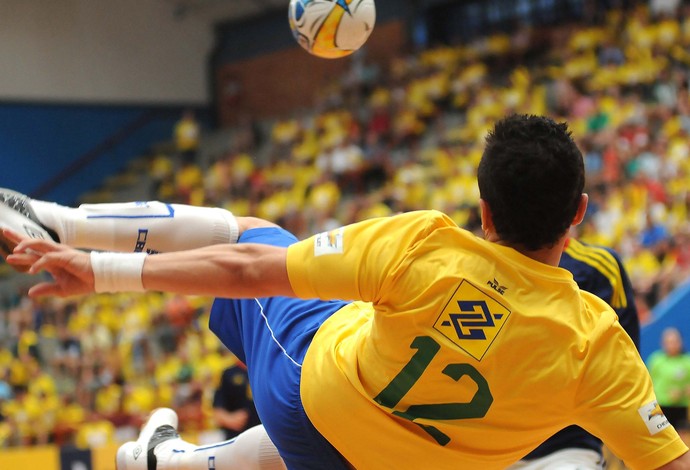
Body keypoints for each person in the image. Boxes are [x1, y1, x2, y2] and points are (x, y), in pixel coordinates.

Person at [2, 114, 690, 469]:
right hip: (401, 465)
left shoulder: (425, 245)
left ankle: (65, 222)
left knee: (257, 231)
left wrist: (99, 273)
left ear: (482, 208)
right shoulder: (599, 342)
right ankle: (163, 460)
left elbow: (246, 270)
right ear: (580, 212)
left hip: (315, 401)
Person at [514, 237, 641, 469]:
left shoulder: (599, 267)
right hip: (478, 447)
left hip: (565, 449)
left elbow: (626, 364)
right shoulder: (477, 262)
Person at [647, 328, 690, 437]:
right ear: (663, 343)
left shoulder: (687, 361)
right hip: (658, 408)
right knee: (659, 439)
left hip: (681, 408)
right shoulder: (656, 360)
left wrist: (684, 391)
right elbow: (647, 385)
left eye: (675, 341)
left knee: (681, 441)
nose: (672, 345)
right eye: (669, 342)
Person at [213, 361, 261, 441]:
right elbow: (218, 411)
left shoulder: (266, 371)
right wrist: (230, 419)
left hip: (265, 435)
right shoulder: (228, 373)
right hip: (238, 437)